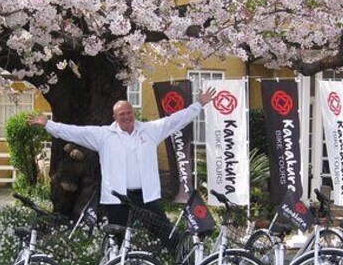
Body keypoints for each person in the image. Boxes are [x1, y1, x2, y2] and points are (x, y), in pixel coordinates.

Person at [28, 87, 217, 251]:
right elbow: (76, 131)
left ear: (132, 113)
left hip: (145, 196)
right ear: (114, 117)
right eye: (121, 114)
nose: (126, 116)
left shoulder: (150, 130)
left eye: (128, 112)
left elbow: (176, 120)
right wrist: (48, 124)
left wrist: (199, 104)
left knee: (166, 233)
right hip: (117, 199)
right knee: (116, 242)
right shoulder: (103, 135)